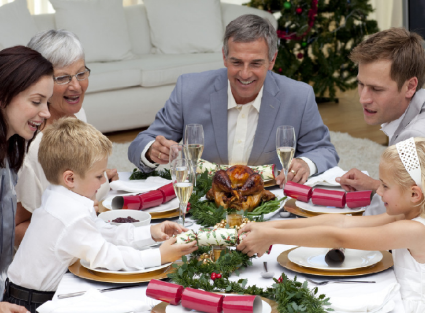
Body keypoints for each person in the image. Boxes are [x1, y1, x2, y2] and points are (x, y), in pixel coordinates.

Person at [4, 118, 197, 313]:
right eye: (98, 176)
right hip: (30, 303)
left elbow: (99, 230)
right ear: (70, 178)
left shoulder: (59, 195)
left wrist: (149, 233)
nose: (103, 181)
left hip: (20, 293)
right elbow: (108, 256)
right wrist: (158, 255)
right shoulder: (71, 214)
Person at [128, 14, 339, 187]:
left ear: (272, 60)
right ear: (224, 57)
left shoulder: (299, 96)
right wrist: (152, 151)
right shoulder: (189, 89)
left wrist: (305, 163)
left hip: (271, 200)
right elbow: (141, 143)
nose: (245, 74)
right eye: (236, 62)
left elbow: (324, 150)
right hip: (204, 198)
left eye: (256, 63)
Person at [238, 136, 425, 311]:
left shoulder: (414, 230)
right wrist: (270, 227)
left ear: (414, 194)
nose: (379, 191)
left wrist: (273, 237)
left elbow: (338, 237)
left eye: (385, 186)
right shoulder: (404, 214)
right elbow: (342, 223)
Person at [14, 30, 118, 246]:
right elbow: (15, 230)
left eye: (81, 74)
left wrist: (95, 175)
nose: (76, 86)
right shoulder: (32, 148)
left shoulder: (76, 113)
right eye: (62, 78)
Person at [335, 28, 425, 215]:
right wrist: (377, 185)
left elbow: (390, 220)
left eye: (376, 89)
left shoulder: (412, 140)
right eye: (361, 84)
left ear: (410, 86)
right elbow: (416, 197)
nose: (363, 99)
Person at [0, 45, 53, 312]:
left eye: (47, 102)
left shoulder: (11, 150)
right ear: (3, 96)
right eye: (36, 101)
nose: (46, 113)